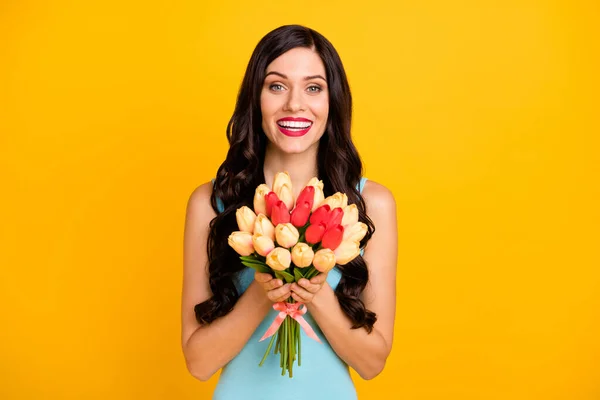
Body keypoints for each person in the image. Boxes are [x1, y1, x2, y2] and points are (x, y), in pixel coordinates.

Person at [181, 24, 398, 399]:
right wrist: (265, 290)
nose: (295, 104)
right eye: (276, 86)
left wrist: (313, 291)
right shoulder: (210, 204)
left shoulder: (372, 204)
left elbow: (372, 363)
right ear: (256, 98)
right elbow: (198, 364)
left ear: (333, 102)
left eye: (313, 88)